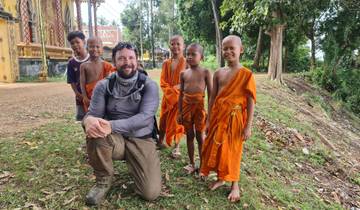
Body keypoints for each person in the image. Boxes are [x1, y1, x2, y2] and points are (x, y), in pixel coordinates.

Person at [82, 42, 161, 205]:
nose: (127, 62)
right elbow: (93, 115)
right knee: (95, 132)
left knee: (150, 193)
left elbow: (145, 118)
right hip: (114, 138)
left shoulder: (149, 85)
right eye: (122, 58)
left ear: (137, 60)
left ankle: (138, 163)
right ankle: (103, 180)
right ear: (114, 61)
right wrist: (87, 120)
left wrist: (111, 125)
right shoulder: (104, 85)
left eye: (131, 58)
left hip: (141, 138)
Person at [200, 35, 256, 202]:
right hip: (218, 117)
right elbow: (212, 98)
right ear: (221, 50)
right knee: (217, 148)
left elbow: (251, 100)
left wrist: (248, 126)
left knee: (233, 151)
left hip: (235, 119)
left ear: (241, 50)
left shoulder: (246, 74)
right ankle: (220, 178)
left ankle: (235, 185)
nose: (229, 51)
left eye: (232, 48)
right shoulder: (218, 73)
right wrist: (209, 119)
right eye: (225, 48)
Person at [177, 43, 212, 174]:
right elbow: (180, 95)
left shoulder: (206, 72)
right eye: (187, 54)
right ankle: (191, 163)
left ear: (201, 57)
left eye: (193, 54)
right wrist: (179, 112)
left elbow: (211, 96)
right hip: (186, 108)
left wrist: (210, 114)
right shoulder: (183, 74)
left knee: (200, 136)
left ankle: (203, 166)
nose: (189, 57)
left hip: (199, 109)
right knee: (189, 136)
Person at [158, 35, 186, 158]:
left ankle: (177, 146)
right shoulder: (166, 63)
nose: (175, 46)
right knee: (163, 119)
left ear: (183, 46)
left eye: (178, 44)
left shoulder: (186, 62)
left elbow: (187, 81)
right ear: (169, 46)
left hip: (179, 98)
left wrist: (175, 90)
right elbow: (163, 81)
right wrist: (171, 91)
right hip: (167, 97)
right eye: (172, 44)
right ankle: (160, 141)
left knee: (177, 122)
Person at [80, 37, 115, 112]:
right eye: (91, 46)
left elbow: (109, 84)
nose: (95, 49)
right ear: (87, 48)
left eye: (97, 47)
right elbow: (82, 83)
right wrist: (85, 97)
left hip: (103, 96)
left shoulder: (107, 65)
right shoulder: (84, 66)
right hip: (89, 97)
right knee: (91, 117)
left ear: (102, 49)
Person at [66, 31, 89, 121]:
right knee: (83, 119)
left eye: (77, 42)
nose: (75, 45)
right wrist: (77, 93)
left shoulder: (93, 59)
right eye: (72, 43)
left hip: (93, 95)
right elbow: (71, 80)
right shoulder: (71, 63)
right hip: (80, 97)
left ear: (84, 42)